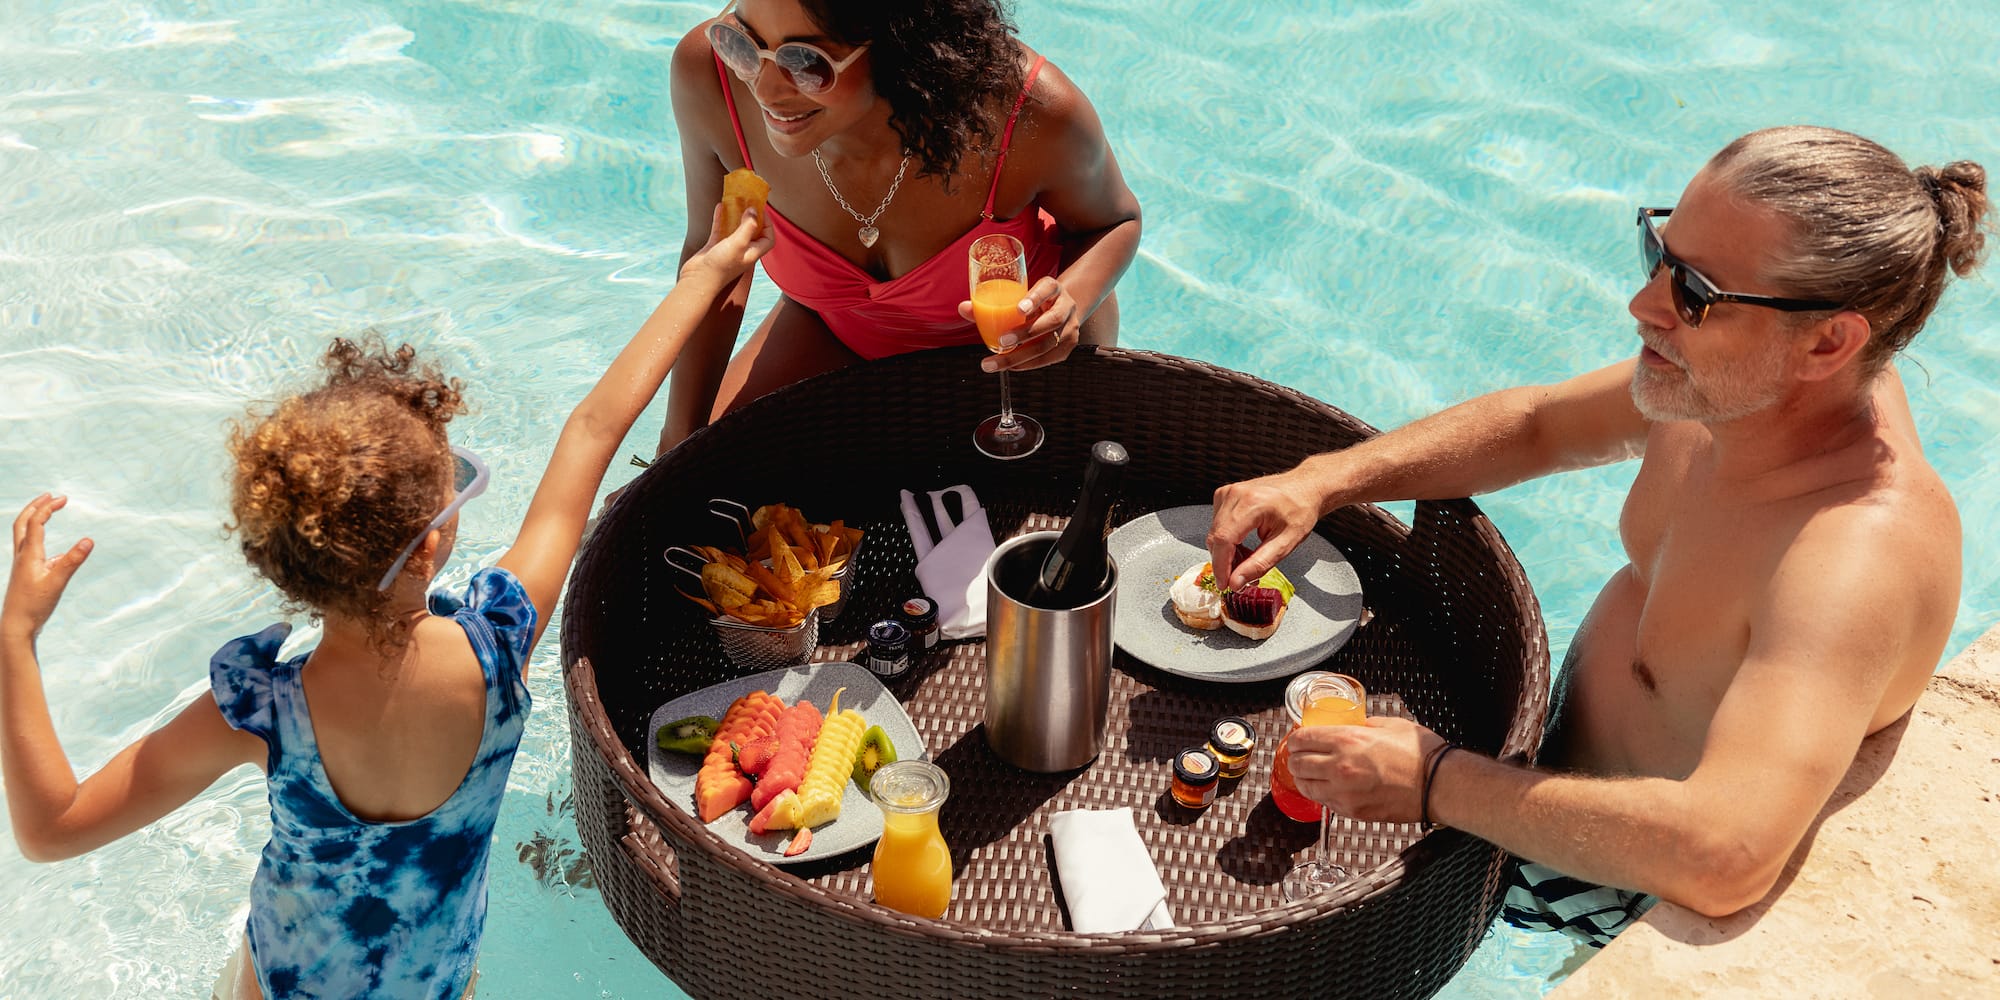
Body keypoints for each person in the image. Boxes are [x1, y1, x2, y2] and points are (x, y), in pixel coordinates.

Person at [1206, 126, 1988, 947]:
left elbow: (1724, 853)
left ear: (1828, 342)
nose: (1645, 305)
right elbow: (1540, 426)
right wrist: (1324, 479)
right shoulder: (1732, 389)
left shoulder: (1852, 559)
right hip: (1525, 773)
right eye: (1658, 249)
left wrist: (1437, 780)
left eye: (1695, 292)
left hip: (1612, 878)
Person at [0, 207, 772, 997]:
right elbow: (592, 430)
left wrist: (17, 639)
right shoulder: (501, 641)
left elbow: (50, 829)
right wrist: (703, 278)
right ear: (431, 543)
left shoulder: (262, 712)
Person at [651, 0, 1143, 456]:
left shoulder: (1023, 110)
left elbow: (1116, 220)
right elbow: (713, 258)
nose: (764, 88)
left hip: (1018, 356)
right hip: (834, 331)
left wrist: (1067, 303)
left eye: (807, 62)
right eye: (742, 42)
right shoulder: (712, 79)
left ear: (902, 43)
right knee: (711, 487)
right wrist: (675, 443)